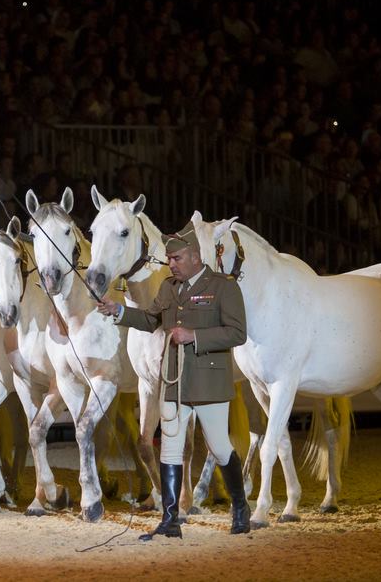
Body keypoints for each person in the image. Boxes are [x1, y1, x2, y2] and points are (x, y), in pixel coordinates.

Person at [96, 224, 250, 539]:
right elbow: (150, 319)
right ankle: (170, 519)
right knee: (169, 449)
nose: (171, 264)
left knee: (220, 448)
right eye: (168, 259)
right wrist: (119, 311)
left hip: (208, 384)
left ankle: (240, 507)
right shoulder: (168, 288)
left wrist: (195, 336)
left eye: (177, 258)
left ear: (195, 257)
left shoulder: (223, 287)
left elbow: (237, 333)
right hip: (174, 380)